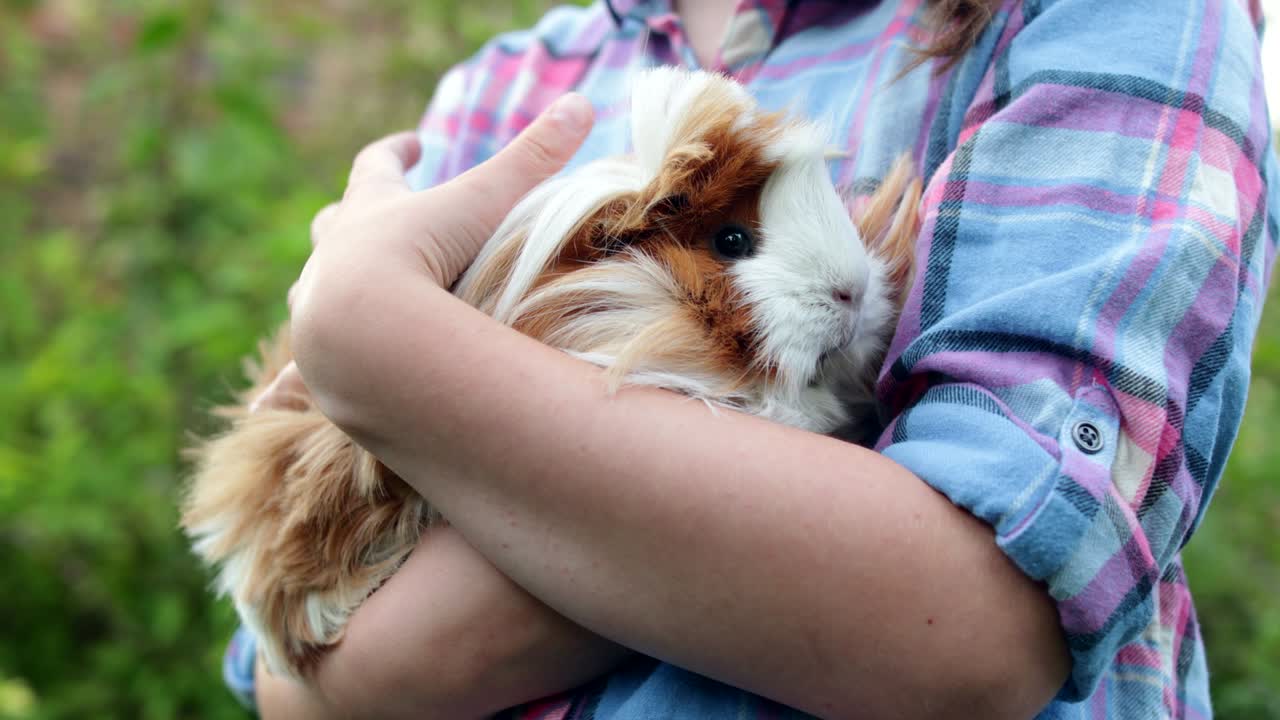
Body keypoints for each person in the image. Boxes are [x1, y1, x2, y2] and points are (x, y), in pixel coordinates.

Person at [224, 0, 1279, 717]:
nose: (848, 281)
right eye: (730, 244)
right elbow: (284, 665)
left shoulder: (1089, 22)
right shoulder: (506, 91)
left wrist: (389, 356)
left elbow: (974, 619)